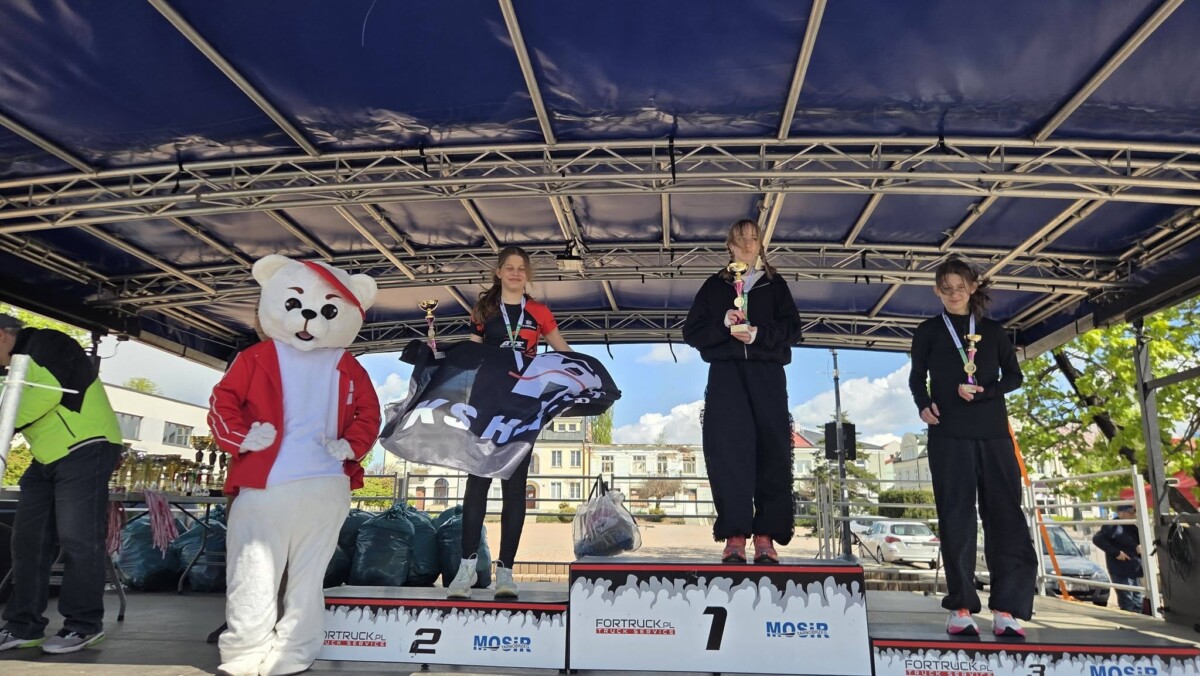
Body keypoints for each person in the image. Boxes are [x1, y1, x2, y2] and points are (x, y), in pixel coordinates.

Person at [908, 257, 1035, 637]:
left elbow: (1015, 376)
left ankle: (1006, 609)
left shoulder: (993, 331)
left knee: (1006, 517)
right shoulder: (929, 331)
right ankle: (961, 606)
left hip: (994, 434)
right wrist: (923, 404)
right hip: (948, 434)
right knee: (956, 518)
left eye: (960, 287)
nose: (953, 294)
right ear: (936, 291)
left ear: (973, 287)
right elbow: (917, 378)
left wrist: (986, 391)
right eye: (946, 288)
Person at [446, 246, 571, 599]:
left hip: (522, 406)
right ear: (499, 272)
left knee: (514, 489)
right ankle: (466, 569)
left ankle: (506, 572)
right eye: (509, 267)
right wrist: (440, 360)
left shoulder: (539, 311)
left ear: (527, 274)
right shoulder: (484, 310)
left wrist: (589, 376)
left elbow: (562, 351)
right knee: (477, 483)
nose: (516, 273)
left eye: (521, 268)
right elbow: (471, 354)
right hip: (486, 403)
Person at [0, 314, 122, 654]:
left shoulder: (48, 343)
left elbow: (47, 394)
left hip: (87, 445)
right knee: (27, 540)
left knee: (77, 538)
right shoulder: (8, 367)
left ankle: (83, 625)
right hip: (47, 455)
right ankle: (23, 625)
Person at [682, 219, 802, 564]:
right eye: (741, 239)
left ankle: (766, 535)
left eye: (753, 239)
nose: (748, 245)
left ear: (761, 244)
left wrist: (759, 334)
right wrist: (723, 325)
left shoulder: (775, 285)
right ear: (730, 245)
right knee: (728, 451)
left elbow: (793, 329)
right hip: (726, 376)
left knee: (773, 451)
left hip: (767, 375)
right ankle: (735, 533)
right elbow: (692, 331)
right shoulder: (714, 286)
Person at [1093, 503, 1144, 612]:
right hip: (1121, 570)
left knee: (1138, 601)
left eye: (1134, 512)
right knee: (1127, 602)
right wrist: (1116, 553)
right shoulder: (1112, 525)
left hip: (1134, 569)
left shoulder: (1132, 526)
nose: (1133, 515)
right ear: (1120, 513)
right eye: (1130, 512)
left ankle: (1137, 618)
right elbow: (1097, 539)